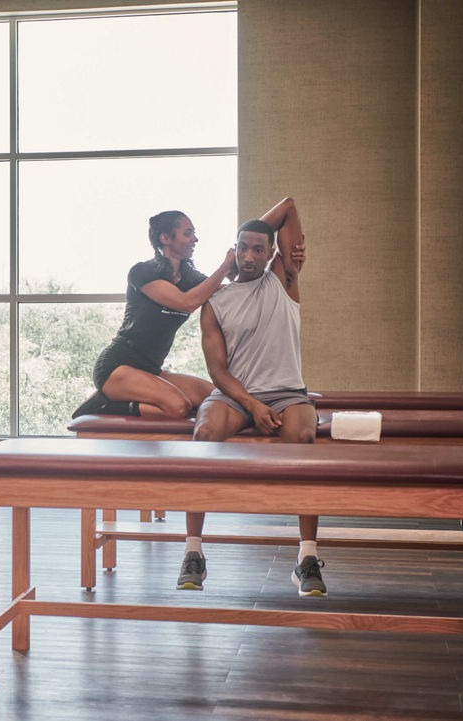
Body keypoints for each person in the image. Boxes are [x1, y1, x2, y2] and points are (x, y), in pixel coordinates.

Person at [176, 197, 327, 598]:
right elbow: (217, 371)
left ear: (271, 253)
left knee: (305, 441)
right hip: (236, 396)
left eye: (258, 248)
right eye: (242, 247)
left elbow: (291, 207)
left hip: (287, 393)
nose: (248, 255)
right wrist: (253, 405)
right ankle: (193, 552)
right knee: (204, 434)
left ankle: (307, 557)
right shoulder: (216, 301)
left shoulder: (283, 278)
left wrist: (267, 238)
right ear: (233, 249)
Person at [72, 211, 236, 419]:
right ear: (165, 238)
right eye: (187, 233)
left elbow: (226, 292)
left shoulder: (190, 278)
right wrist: (224, 268)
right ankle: (103, 406)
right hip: (117, 367)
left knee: (216, 397)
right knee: (179, 407)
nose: (195, 239)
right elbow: (186, 303)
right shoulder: (142, 272)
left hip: (150, 370)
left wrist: (256, 261)